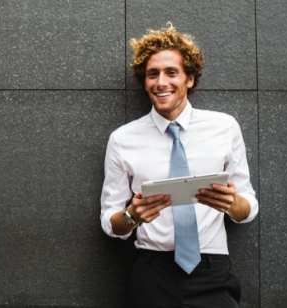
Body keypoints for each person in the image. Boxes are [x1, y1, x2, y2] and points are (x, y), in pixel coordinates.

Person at [100, 23, 258, 307]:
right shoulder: (122, 139)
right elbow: (111, 222)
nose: (161, 82)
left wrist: (231, 203)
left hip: (212, 271)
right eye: (152, 74)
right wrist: (131, 216)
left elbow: (247, 209)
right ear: (144, 81)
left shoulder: (224, 127)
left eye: (171, 72)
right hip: (152, 273)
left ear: (190, 78)